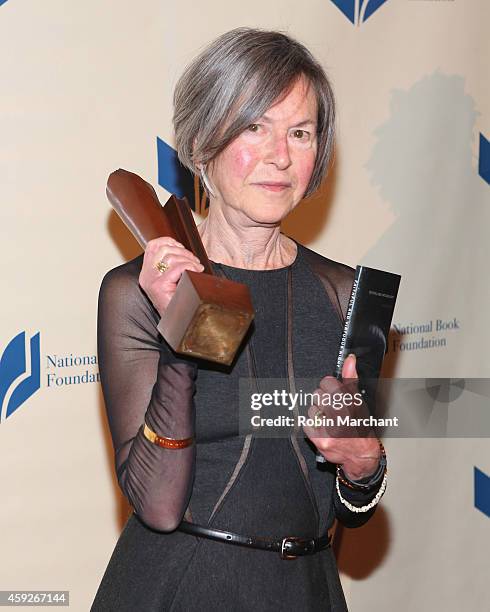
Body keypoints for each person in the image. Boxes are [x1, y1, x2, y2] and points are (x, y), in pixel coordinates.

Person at [92, 27, 388, 612]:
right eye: (255, 127)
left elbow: (352, 509)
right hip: (178, 589)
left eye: (300, 133)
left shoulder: (347, 294)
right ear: (202, 145)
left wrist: (364, 467)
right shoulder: (133, 292)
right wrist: (181, 323)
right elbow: (157, 504)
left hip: (307, 590)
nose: (281, 156)